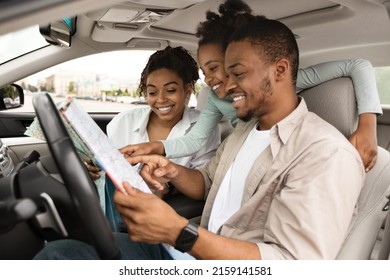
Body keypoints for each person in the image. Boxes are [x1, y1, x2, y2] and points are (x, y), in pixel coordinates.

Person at [34, 16, 365, 260]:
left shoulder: (324, 153)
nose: (223, 85)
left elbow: (292, 265)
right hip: (185, 249)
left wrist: (179, 231)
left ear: (279, 71)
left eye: (238, 73)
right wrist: (171, 170)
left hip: (197, 250)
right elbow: (206, 182)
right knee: (59, 254)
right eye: (222, 72)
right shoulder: (244, 131)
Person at [121, 0, 381, 172]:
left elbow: (357, 65)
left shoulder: (284, 82)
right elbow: (194, 140)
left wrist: (367, 126)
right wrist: (156, 147)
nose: (208, 79)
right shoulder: (215, 99)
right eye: (204, 72)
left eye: (213, 68)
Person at [85, 46, 220, 230]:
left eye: (170, 90)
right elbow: (107, 169)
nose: (161, 99)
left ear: (187, 90)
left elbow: (203, 184)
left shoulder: (202, 129)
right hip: (110, 209)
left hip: (155, 219)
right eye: (153, 92)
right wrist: (93, 167)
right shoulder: (123, 122)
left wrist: (167, 186)